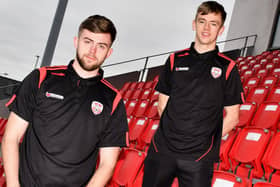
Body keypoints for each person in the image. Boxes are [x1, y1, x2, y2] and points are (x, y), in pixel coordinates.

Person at [2, 15, 129, 187]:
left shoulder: (113, 100)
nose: (92, 51)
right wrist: (12, 184)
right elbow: (11, 136)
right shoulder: (41, 78)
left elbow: (107, 164)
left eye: (101, 46)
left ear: (109, 52)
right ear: (76, 42)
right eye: (87, 41)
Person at [142, 1, 244, 187]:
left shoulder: (228, 68)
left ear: (220, 30)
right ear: (193, 24)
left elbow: (233, 117)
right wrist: (174, 134)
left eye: (213, 23)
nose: (206, 28)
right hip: (162, 150)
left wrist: (204, 140)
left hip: (199, 158)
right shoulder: (174, 60)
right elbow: (162, 103)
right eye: (202, 21)